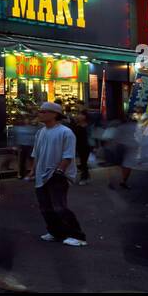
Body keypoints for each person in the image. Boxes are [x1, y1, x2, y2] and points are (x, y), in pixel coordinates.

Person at [30, 102, 87, 247]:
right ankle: (56, 232)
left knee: (59, 207)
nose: (40, 114)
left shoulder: (65, 132)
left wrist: (60, 171)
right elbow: (36, 154)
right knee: (45, 207)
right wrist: (32, 171)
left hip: (58, 175)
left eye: (44, 112)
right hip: (41, 174)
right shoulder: (40, 132)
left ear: (55, 114)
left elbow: (68, 156)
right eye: (40, 111)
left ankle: (77, 235)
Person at [69, 112, 93, 185]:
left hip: (86, 146)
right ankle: (86, 176)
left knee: (83, 162)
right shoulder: (76, 125)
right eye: (78, 114)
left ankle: (84, 178)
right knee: (81, 162)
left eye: (80, 114)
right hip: (78, 145)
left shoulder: (88, 126)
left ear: (85, 117)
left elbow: (91, 136)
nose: (78, 115)